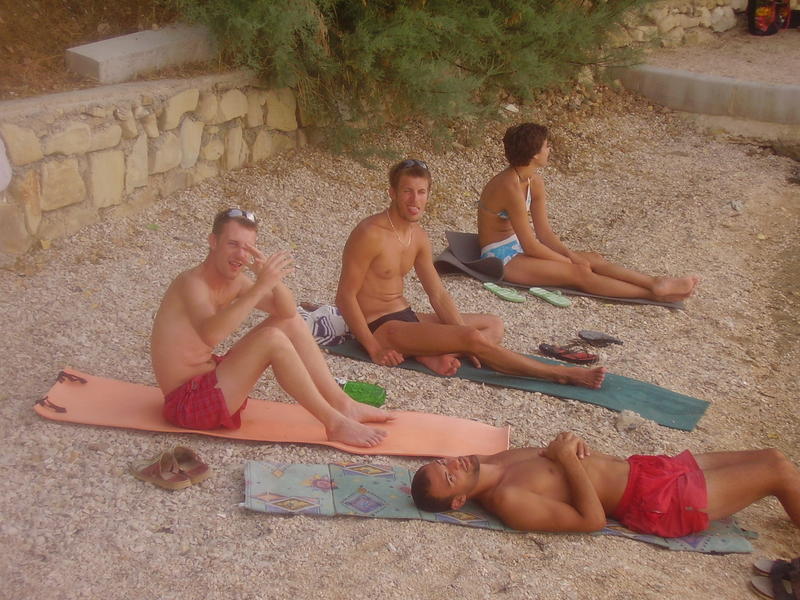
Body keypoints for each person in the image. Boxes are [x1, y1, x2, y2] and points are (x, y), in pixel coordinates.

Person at [335, 159, 606, 388]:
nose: (414, 200)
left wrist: (459, 332)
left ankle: (430, 353)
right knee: (473, 338)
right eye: (407, 191)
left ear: (428, 195)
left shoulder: (418, 236)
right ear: (392, 193)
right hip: (380, 327)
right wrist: (374, 348)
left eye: (421, 192)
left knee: (492, 325)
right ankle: (561, 374)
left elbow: (438, 294)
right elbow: (345, 297)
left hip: (406, 316)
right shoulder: (370, 234)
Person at [150, 208, 391, 448]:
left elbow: (287, 312)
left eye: (247, 248)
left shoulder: (235, 281)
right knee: (272, 339)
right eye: (233, 244)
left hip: (212, 382)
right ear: (213, 241)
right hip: (188, 404)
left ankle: (343, 405)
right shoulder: (192, 283)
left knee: (288, 322)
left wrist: (271, 280)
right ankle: (334, 423)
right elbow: (210, 334)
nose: (240, 254)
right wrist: (259, 287)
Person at [411, 431, 800, 537]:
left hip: (647, 470)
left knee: (772, 456)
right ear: (459, 500)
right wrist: (567, 458)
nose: (454, 464)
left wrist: (572, 445)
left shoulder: (495, 460)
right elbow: (592, 521)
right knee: (778, 473)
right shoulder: (509, 501)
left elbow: (565, 456)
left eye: (444, 463)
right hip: (658, 500)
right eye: (450, 477)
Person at [477, 123, 699, 303]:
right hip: (501, 257)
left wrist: (572, 255)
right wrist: (569, 262)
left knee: (592, 259)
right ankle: (652, 295)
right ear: (534, 154)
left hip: (518, 246)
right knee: (579, 273)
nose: (549, 149)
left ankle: (655, 282)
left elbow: (544, 233)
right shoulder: (509, 187)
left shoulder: (534, 182)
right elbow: (531, 246)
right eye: (546, 146)